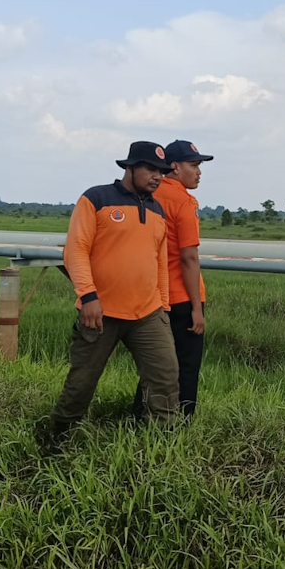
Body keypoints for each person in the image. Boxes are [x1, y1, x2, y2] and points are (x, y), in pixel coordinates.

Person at [42, 141, 180, 449]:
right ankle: (59, 438)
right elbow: (75, 249)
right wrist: (88, 297)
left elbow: (159, 262)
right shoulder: (97, 199)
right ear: (129, 167)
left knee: (165, 377)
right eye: (150, 169)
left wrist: (164, 307)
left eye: (162, 171)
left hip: (148, 313)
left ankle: (163, 444)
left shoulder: (157, 210)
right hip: (101, 312)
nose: (157, 177)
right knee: (82, 381)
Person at [133, 139, 213, 419]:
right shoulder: (183, 201)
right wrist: (196, 308)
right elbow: (189, 257)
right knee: (186, 367)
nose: (199, 171)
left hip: (153, 296)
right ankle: (182, 422)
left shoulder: (148, 197)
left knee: (154, 364)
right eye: (194, 165)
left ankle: (140, 417)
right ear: (175, 168)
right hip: (182, 298)